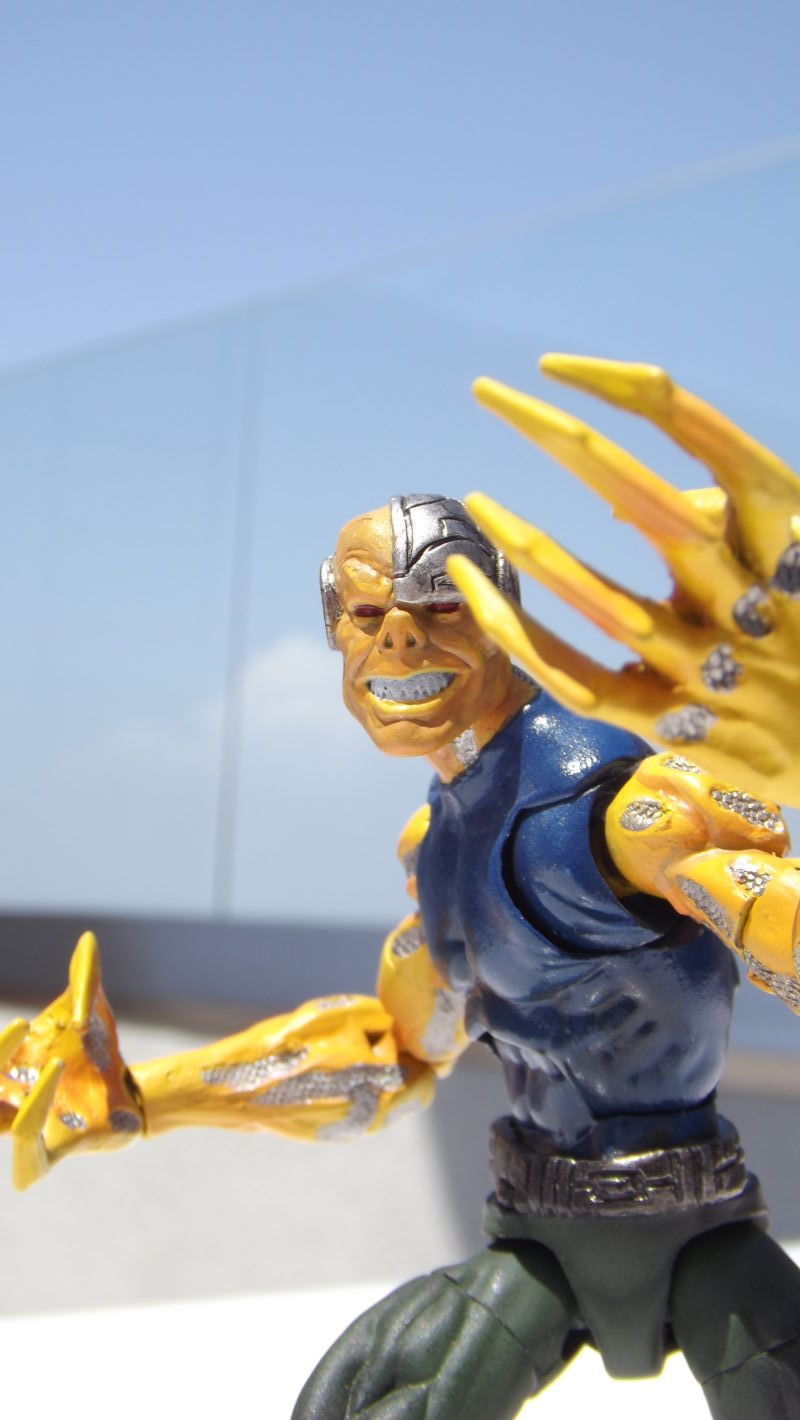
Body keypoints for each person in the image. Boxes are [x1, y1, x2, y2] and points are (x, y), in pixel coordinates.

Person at [2, 356, 800, 1418]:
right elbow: (392, 1050)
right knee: (363, 1398)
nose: (401, 639)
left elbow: (767, 911)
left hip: (705, 1237)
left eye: (440, 603)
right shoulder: (439, 844)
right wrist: (139, 1094)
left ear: (500, 615)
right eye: (368, 612)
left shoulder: (619, 805)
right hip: (541, 1240)